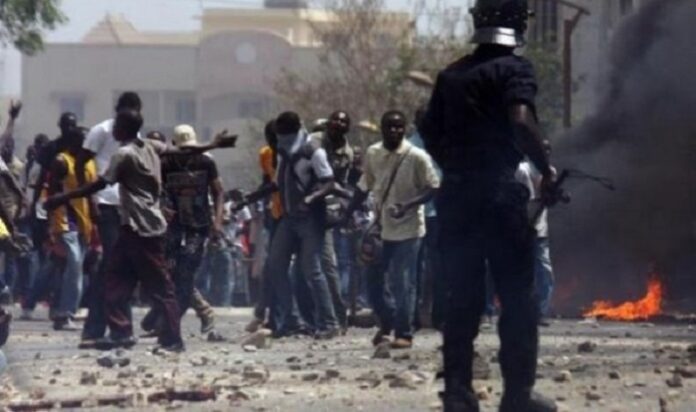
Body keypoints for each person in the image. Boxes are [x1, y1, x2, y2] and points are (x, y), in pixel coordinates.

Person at [418, 1, 557, 410]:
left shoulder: (451, 74)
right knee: (517, 298)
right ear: (516, 25)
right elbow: (519, 119)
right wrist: (545, 168)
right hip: (499, 197)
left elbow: (428, 128)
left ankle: (458, 394)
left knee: (462, 298)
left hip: (457, 199)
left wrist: (457, 166)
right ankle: (517, 396)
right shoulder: (514, 68)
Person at [44, 109, 237, 352]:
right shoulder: (151, 146)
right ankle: (121, 333)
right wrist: (212, 144)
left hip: (143, 227)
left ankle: (172, 339)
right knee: (115, 281)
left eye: (117, 126)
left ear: (122, 129)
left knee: (160, 286)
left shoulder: (123, 155)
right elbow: (183, 149)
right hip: (134, 226)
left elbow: (100, 184)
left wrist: (62, 197)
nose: (113, 129)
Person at [350, 110, 440, 349]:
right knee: (373, 281)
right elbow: (364, 185)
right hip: (381, 228)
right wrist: (347, 213)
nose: (395, 131)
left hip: (409, 229)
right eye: (390, 127)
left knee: (403, 282)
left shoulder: (417, 156)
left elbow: (433, 187)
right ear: (382, 128)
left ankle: (404, 332)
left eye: (399, 127)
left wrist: (408, 205)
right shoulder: (373, 153)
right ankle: (387, 320)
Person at [142, 124, 225, 340]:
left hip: (198, 225)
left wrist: (217, 223)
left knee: (186, 272)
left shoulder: (206, 162)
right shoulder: (166, 163)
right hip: (173, 225)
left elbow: (218, 192)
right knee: (169, 271)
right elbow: (155, 190)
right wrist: (160, 208)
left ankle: (170, 322)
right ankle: (186, 313)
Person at [264, 111, 340, 339]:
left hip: (309, 219)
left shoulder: (312, 151)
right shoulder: (283, 152)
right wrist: (253, 196)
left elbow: (329, 183)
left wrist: (310, 199)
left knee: (312, 270)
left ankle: (329, 323)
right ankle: (291, 320)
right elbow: (279, 184)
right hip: (289, 218)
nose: (283, 139)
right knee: (275, 265)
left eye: (286, 134)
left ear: (297, 130)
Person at [78, 92, 142, 348]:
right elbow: (82, 164)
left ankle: (113, 328)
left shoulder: (136, 137)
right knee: (113, 268)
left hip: (126, 206)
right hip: (104, 203)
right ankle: (105, 328)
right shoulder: (101, 131)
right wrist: (90, 201)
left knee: (118, 268)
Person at [46, 127, 97, 331]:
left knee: (73, 269)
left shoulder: (90, 163)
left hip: (84, 222)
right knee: (74, 265)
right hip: (66, 221)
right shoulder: (61, 161)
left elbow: (92, 191)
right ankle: (65, 313)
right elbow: (52, 193)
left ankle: (62, 310)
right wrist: (51, 225)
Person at [308, 110, 354, 331]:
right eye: (334, 119)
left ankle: (336, 316)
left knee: (327, 265)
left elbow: (340, 184)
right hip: (301, 207)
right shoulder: (313, 142)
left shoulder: (347, 153)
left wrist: (345, 210)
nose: (338, 123)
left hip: (323, 212)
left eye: (343, 121)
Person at [516, 140, 556, 326]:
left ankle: (539, 312)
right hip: (522, 228)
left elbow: (550, 201)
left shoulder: (550, 172)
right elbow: (525, 199)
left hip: (540, 230)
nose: (545, 154)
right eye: (542, 151)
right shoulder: (522, 169)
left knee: (545, 274)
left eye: (547, 151)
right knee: (522, 272)